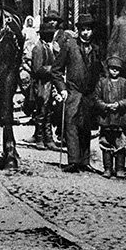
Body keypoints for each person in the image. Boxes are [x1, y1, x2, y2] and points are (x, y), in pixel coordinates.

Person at [52, 12, 101, 173]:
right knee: (71, 124)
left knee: (86, 125)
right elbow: (56, 70)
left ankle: (85, 161)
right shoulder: (69, 46)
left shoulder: (96, 48)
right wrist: (62, 89)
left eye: (89, 29)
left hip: (89, 93)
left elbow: (101, 71)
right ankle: (73, 160)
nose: (86, 33)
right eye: (83, 29)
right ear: (78, 31)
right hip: (73, 91)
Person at [94, 55, 126, 178]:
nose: (114, 71)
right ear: (108, 69)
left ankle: (119, 168)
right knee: (105, 143)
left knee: (121, 144)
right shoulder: (102, 83)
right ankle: (107, 168)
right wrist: (105, 106)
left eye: (117, 69)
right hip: (106, 118)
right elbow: (96, 98)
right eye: (112, 68)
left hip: (120, 118)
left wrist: (119, 104)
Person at [28, 11, 63, 147]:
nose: (49, 36)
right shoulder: (38, 48)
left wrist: (57, 52)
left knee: (48, 112)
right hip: (41, 84)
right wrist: (52, 69)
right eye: (47, 34)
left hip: (50, 84)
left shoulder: (50, 47)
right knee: (41, 112)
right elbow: (37, 69)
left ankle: (49, 139)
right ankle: (39, 138)